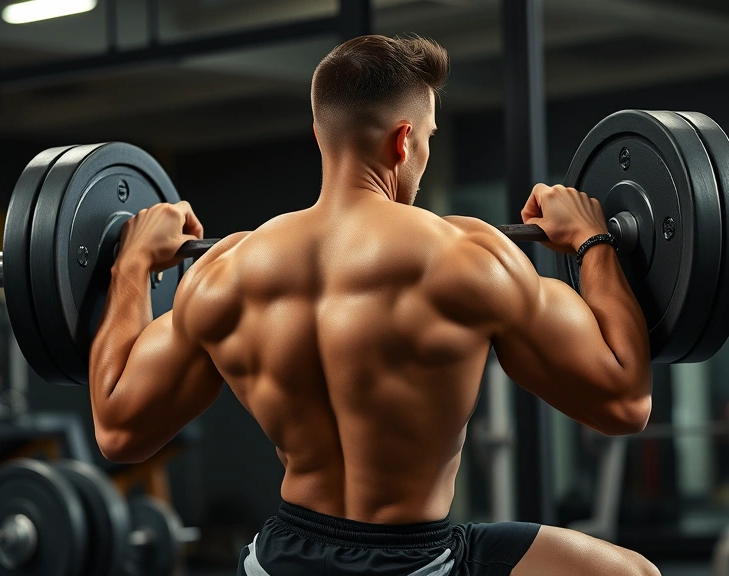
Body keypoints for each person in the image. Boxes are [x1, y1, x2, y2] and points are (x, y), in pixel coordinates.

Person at [88, 34, 658, 576]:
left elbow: (119, 432)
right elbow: (624, 402)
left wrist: (131, 265)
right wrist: (593, 241)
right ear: (403, 140)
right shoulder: (465, 257)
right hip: (412, 560)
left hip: (280, 558)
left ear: (320, 133)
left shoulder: (223, 272)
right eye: (428, 137)